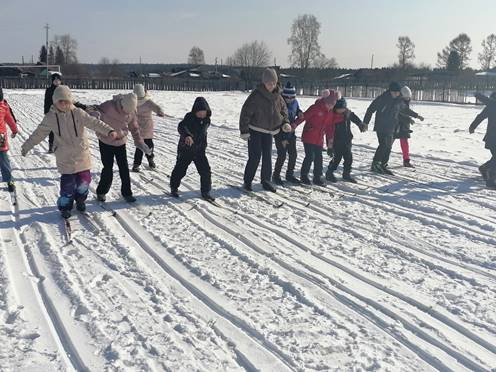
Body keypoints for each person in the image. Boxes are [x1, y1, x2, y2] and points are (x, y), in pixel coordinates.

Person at [21, 86, 117, 218]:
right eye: (60, 101)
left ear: (70, 101)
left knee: (85, 181)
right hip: (64, 156)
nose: (64, 104)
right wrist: (27, 146)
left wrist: (109, 130)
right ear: (55, 101)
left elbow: (94, 122)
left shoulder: (78, 113)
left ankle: (80, 199)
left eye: (66, 101)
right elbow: (39, 133)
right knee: (68, 186)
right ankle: (65, 206)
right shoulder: (51, 117)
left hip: (81, 154)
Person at [91, 93, 151, 203]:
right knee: (108, 168)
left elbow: (134, 128)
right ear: (122, 105)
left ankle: (127, 193)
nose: (126, 113)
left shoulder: (132, 112)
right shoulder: (108, 106)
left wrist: (140, 142)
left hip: (120, 141)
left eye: (129, 111)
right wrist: (95, 115)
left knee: (124, 168)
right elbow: (95, 110)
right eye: (125, 110)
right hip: (106, 141)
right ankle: (101, 192)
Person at [239, 68, 290, 192]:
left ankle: (266, 180)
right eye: (268, 83)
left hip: (269, 132)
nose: (271, 85)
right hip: (255, 130)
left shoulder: (278, 97)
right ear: (264, 83)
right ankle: (247, 181)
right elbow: (245, 113)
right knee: (255, 156)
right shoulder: (256, 95)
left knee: (267, 157)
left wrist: (285, 123)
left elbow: (284, 112)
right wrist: (244, 131)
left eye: (273, 83)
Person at [363, 82, 418, 175]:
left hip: (391, 126)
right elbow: (370, 109)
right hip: (381, 126)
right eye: (394, 92)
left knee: (388, 146)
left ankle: (383, 164)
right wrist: (365, 122)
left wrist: (415, 115)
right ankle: (375, 164)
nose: (396, 94)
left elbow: (404, 109)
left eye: (398, 93)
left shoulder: (398, 100)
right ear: (390, 91)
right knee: (383, 145)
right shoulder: (382, 99)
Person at [292, 90, 341, 185]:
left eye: (333, 104)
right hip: (308, 136)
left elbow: (330, 128)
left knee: (319, 158)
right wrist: (295, 124)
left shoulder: (330, 113)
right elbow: (304, 117)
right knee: (310, 157)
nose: (330, 106)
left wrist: (330, 141)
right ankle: (304, 175)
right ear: (325, 101)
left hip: (319, 139)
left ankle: (317, 177)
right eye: (329, 104)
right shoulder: (315, 108)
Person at [170, 97, 213, 200]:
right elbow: (181, 126)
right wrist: (187, 135)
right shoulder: (189, 117)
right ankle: (174, 187)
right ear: (195, 111)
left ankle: (206, 192)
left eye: (204, 112)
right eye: (199, 112)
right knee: (180, 170)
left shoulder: (207, 120)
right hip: (186, 149)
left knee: (205, 171)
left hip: (199, 151)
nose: (202, 114)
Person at [325, 97, 366, 183]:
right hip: (336, 142)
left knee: (349, 158)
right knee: (336, 159)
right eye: (339, 109)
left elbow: (354, 117)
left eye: (343, 108)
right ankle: (329, 173)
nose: (341, 110)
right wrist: (329, 146)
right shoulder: (332, 117)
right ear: (335, 108)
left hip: (347, 140)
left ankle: (346, 174)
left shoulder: (347, 113)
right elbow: (329, 132)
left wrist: (360, 124)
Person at [272, 82, 303, 185]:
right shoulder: (279, 103)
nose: (289, 99)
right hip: (280, 134)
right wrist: (283, 138)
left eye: (292, 97)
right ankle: (276, 175)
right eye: (287, 97)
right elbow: (278, 121)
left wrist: (299, 112)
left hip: (291, 134)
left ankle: (289, 174)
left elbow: (296, 109)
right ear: (283, 96)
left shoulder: (295, 102)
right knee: (282, 155)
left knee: (293, 155)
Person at [132, 84, 167, 172]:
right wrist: (160, 112)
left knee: (139, 145)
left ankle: (136, 164)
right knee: (148, 144)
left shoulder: (132, 101)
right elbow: (157, 108)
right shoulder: (148, 102)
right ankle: (150, 159)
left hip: (138, 126)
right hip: (146, 126)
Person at [470, 92, 496, 189]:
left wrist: (472, 127)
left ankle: (484, 168)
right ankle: (491, 180)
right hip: (493, 137)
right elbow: (480, 117)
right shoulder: (492, 106)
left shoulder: (491, 106)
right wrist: (472, 126)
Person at [395, 86, 424, 168]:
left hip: (404, 125)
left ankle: (406, 160)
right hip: (395, 125)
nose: (407, 99)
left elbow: (408, 111)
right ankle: (381, 160)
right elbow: (398, 113)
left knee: (404, 143)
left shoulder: (406, 102)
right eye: (405, 98)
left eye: (408, 98)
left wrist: (416, 116)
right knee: (388, 143)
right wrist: (409, 119)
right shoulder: (397, 102)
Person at [0, 88, 19, 192]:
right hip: (1, 135)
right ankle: (10, 181)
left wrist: (15, 129)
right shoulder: (4, 106)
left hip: (0, 136)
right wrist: (14, 130)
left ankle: (10, 181)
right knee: (3, 159)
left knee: (3, 159)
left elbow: (10, 119)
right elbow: (10, 120)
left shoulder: (4, 106)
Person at [44, 73, 63, 153]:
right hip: (52, 112)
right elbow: (47, 101)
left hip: (62, 112)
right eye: (55, 80)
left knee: (62, 130)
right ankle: (51, 146)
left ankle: (61, 146)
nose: (56, 82)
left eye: (58, 80)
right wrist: (46, 111)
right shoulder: (49, 90)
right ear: (52, 81)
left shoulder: (63, 89)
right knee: (52, 129)